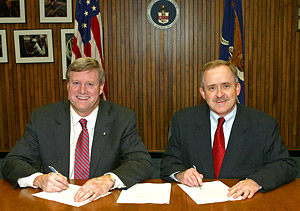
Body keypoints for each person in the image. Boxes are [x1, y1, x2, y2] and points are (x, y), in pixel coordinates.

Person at [1, 57, 153, 202]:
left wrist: (108, 180)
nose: (82, 91)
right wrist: (39, 179)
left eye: (90, 84)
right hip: (56, 202)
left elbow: (142, 162)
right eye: (76, 83)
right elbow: (12, 162)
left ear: (101, 88)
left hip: (103, 202)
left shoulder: (122, 118)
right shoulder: (43, 118)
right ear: (67, 86)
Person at [160, 60, 297, 200]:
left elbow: (285, 165)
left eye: (226, 86)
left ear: (237, 89)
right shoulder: (184, 121)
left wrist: (256, 181)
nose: (220, 94)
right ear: (203, 93)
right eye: (212, 88)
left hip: (245, 203)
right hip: (195, 203)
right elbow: (169, 163)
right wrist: (181, 174)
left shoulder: (263, 124)